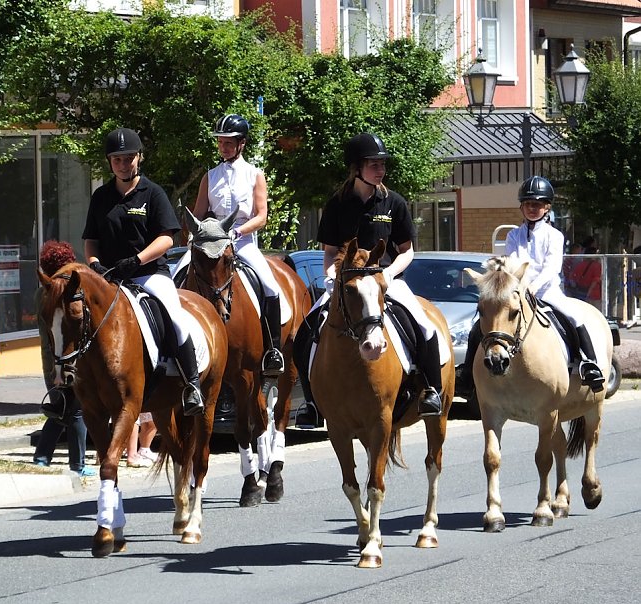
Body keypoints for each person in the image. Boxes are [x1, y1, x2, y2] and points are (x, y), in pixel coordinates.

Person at [315, 132, 444, 416]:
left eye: (382, 164)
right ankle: (313, 399)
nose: (380, 170)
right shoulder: (337, 204)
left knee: (424, 325)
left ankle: (431, 389)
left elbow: (407, 250)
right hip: (346, 282)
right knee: (310, 326)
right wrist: (329, 276)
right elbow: (329, 250)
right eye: (373, 164)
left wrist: (387, 274)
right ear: (357, 168)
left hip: (385, 280)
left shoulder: (393, 203)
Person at [83, 127, 204, 416]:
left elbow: (166, 238)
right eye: (117, 160)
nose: (124, 165)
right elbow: (90, 240)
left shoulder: (153, 193)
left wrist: (137, 260)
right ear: (110, 163)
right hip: (110, 276)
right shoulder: (101, 197)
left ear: (139, 158)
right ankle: (70, 387)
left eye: (128, 159)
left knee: (174, 315)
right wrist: (94, 264)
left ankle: (192, 384)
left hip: (148, 273)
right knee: (79, 315)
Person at [458, 176, 604, 393]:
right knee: (478, 326)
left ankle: (588, 364)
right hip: (517, 291)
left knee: (574, 317)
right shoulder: (513, 235)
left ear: (547, 207)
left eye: (537, 204)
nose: (532, 209)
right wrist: (512, 282)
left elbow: (552, 267)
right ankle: (467, 374)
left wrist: (533, 286)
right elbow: (512, 260)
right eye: (528, 204)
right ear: (521, 207)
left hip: (547, 290)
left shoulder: (554, 235)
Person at [174, 113, 284, 376]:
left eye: (228, 142)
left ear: (241, 143)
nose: (223, 147)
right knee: (175, 273)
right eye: (220, 142)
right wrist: (195, 231)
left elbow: (261, 215)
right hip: (210, 241)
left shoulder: (255, 175)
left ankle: (273, 350)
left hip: (241, 240)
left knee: (270, 286)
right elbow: (199, 212)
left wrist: (238, 231)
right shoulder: (209, 176)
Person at [34, 240, 95, 476]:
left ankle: (42, 456)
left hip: (49, 359)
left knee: (61, 409)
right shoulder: (57, 292)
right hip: (64, 360)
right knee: (75, 410)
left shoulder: (43, 292)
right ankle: (77, 464)